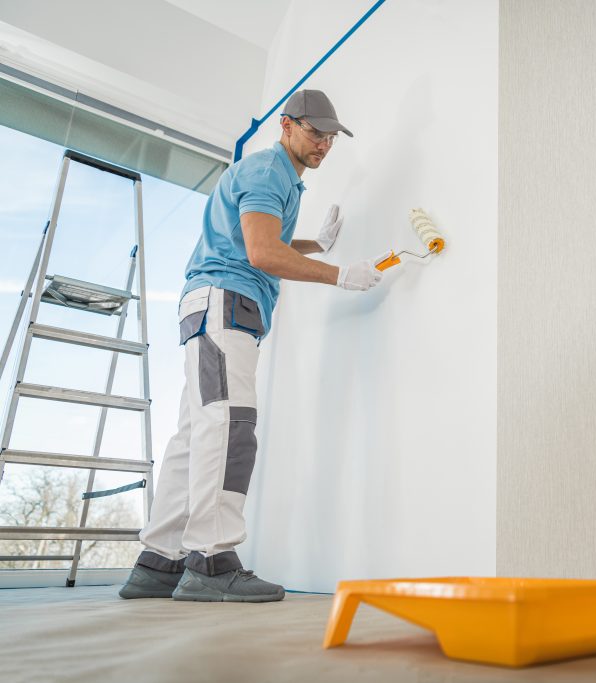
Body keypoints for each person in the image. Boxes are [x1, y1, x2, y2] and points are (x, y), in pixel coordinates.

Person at [118, 90, 387, 602]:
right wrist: (338, 274)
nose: (324, 145)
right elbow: (263, 253)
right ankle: (211, 560)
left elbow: (255, 238)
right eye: (315, 133)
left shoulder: (277, 176)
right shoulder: (268, 172)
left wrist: (315, 244)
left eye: (330, 138)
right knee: (230, 427)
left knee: (196, 435)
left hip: (212, 306)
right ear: (286, 125)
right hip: (226, 303)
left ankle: (158, 562)